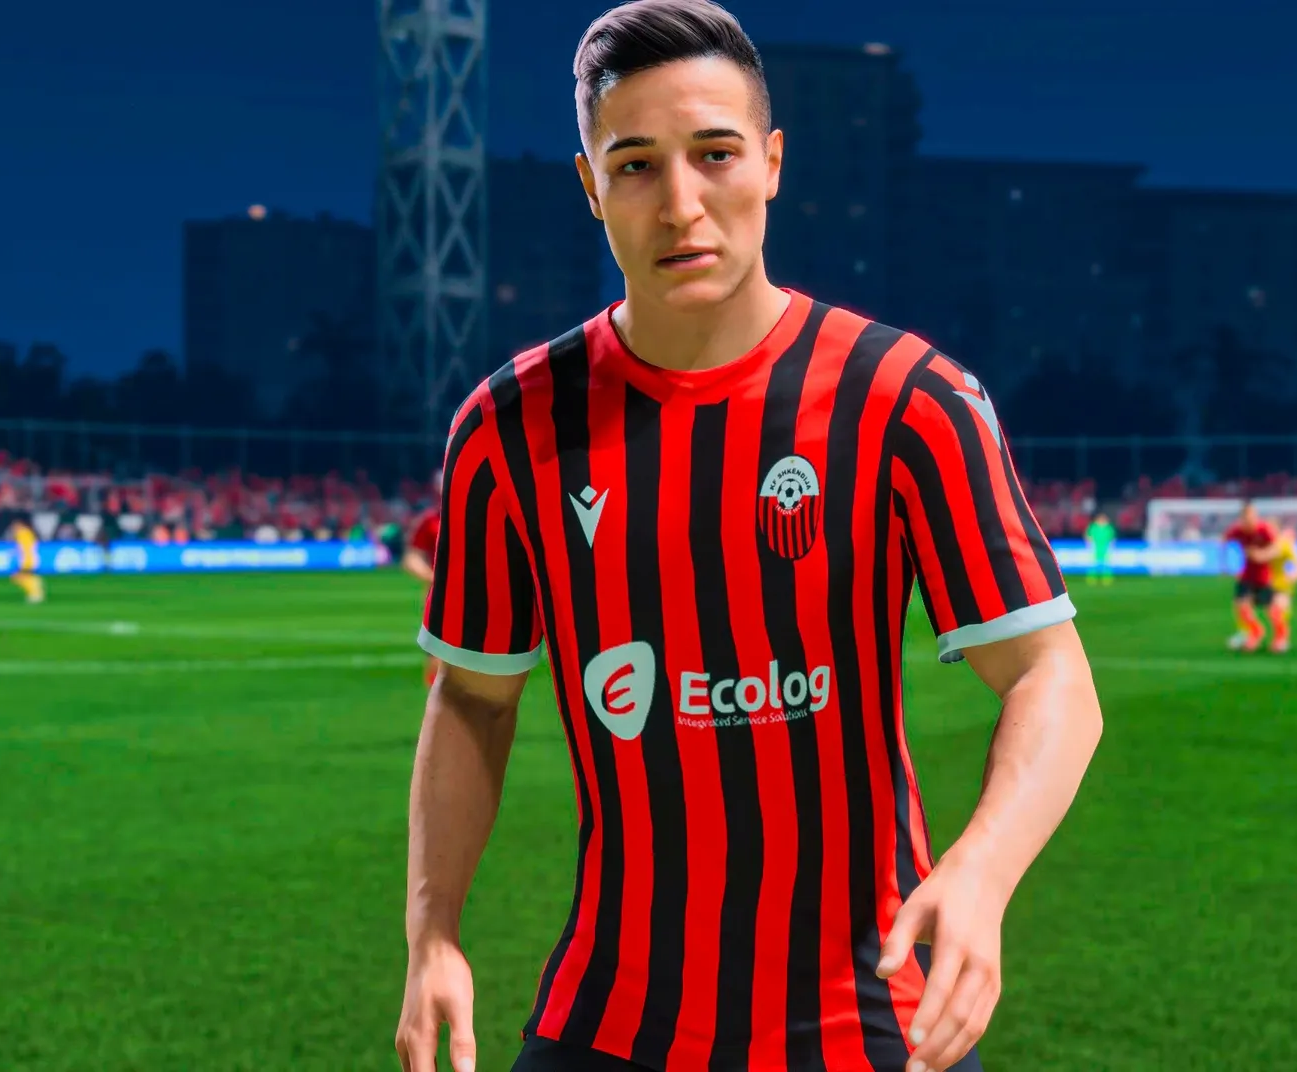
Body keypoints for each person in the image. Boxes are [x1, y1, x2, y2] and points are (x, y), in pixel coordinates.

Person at [393, 5, 1105, 1071]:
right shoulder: (506, 429)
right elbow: (471, 698)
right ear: (590, 187)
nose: (681, 204)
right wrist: (433, 929)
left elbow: (1052, 674)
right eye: (635, 165)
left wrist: (982, 870)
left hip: (866, 1018)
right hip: (609, 1018)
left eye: (715, 154)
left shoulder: (906, 398)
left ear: (771, 163)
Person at [1223, 501, 1282, 652]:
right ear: (1242, 518)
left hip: (1263, 576)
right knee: (1241, 604)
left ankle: (1280, 637)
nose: (1250, 519)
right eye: (1246, 517)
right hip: (1246, 575)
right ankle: (1256, 631)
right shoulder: (1237, 530)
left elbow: (1276, 549)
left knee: (1271, 609)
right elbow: (1224, 541)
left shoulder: (1264, 529)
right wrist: (1225, 565)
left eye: (1252, 515)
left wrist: (1262, 555)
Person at [401, 490, 443, 688]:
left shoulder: (482, 517)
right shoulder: (430, 521)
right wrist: (433, 577)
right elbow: (412, 557)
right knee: (438, 657)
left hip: (482, 597)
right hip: (442, 600)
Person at [1265, 528, 1297, 653]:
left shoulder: (1286, 547)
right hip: (1269, 584)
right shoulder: (1268, 544)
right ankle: (1279, 639)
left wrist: (1292, 577)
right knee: (1273, 613)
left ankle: (1282, 640)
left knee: (1277, 612)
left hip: (1283, 585)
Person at [8, 516, 46, 604]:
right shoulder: (26, 533)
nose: (14, 528)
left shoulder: (23, 533)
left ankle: (36, 594)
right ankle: (35, 592)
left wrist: (17, 552)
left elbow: (25, 547)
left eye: (15, 526)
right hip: (28, 559)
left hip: (28, 560)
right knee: (24, 577)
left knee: (18, 577)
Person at [1082, 513, 1116, 586]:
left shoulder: (1108, 528)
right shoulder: (1093, 527)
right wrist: (1089, 544)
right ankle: (1091, 579)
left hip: (1105, 548)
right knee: (1092, 564)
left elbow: (1112, 538)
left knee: (1106, 564)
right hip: (1095, 548)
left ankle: (1107, 579)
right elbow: (1088, 536)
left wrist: (1111, 546)